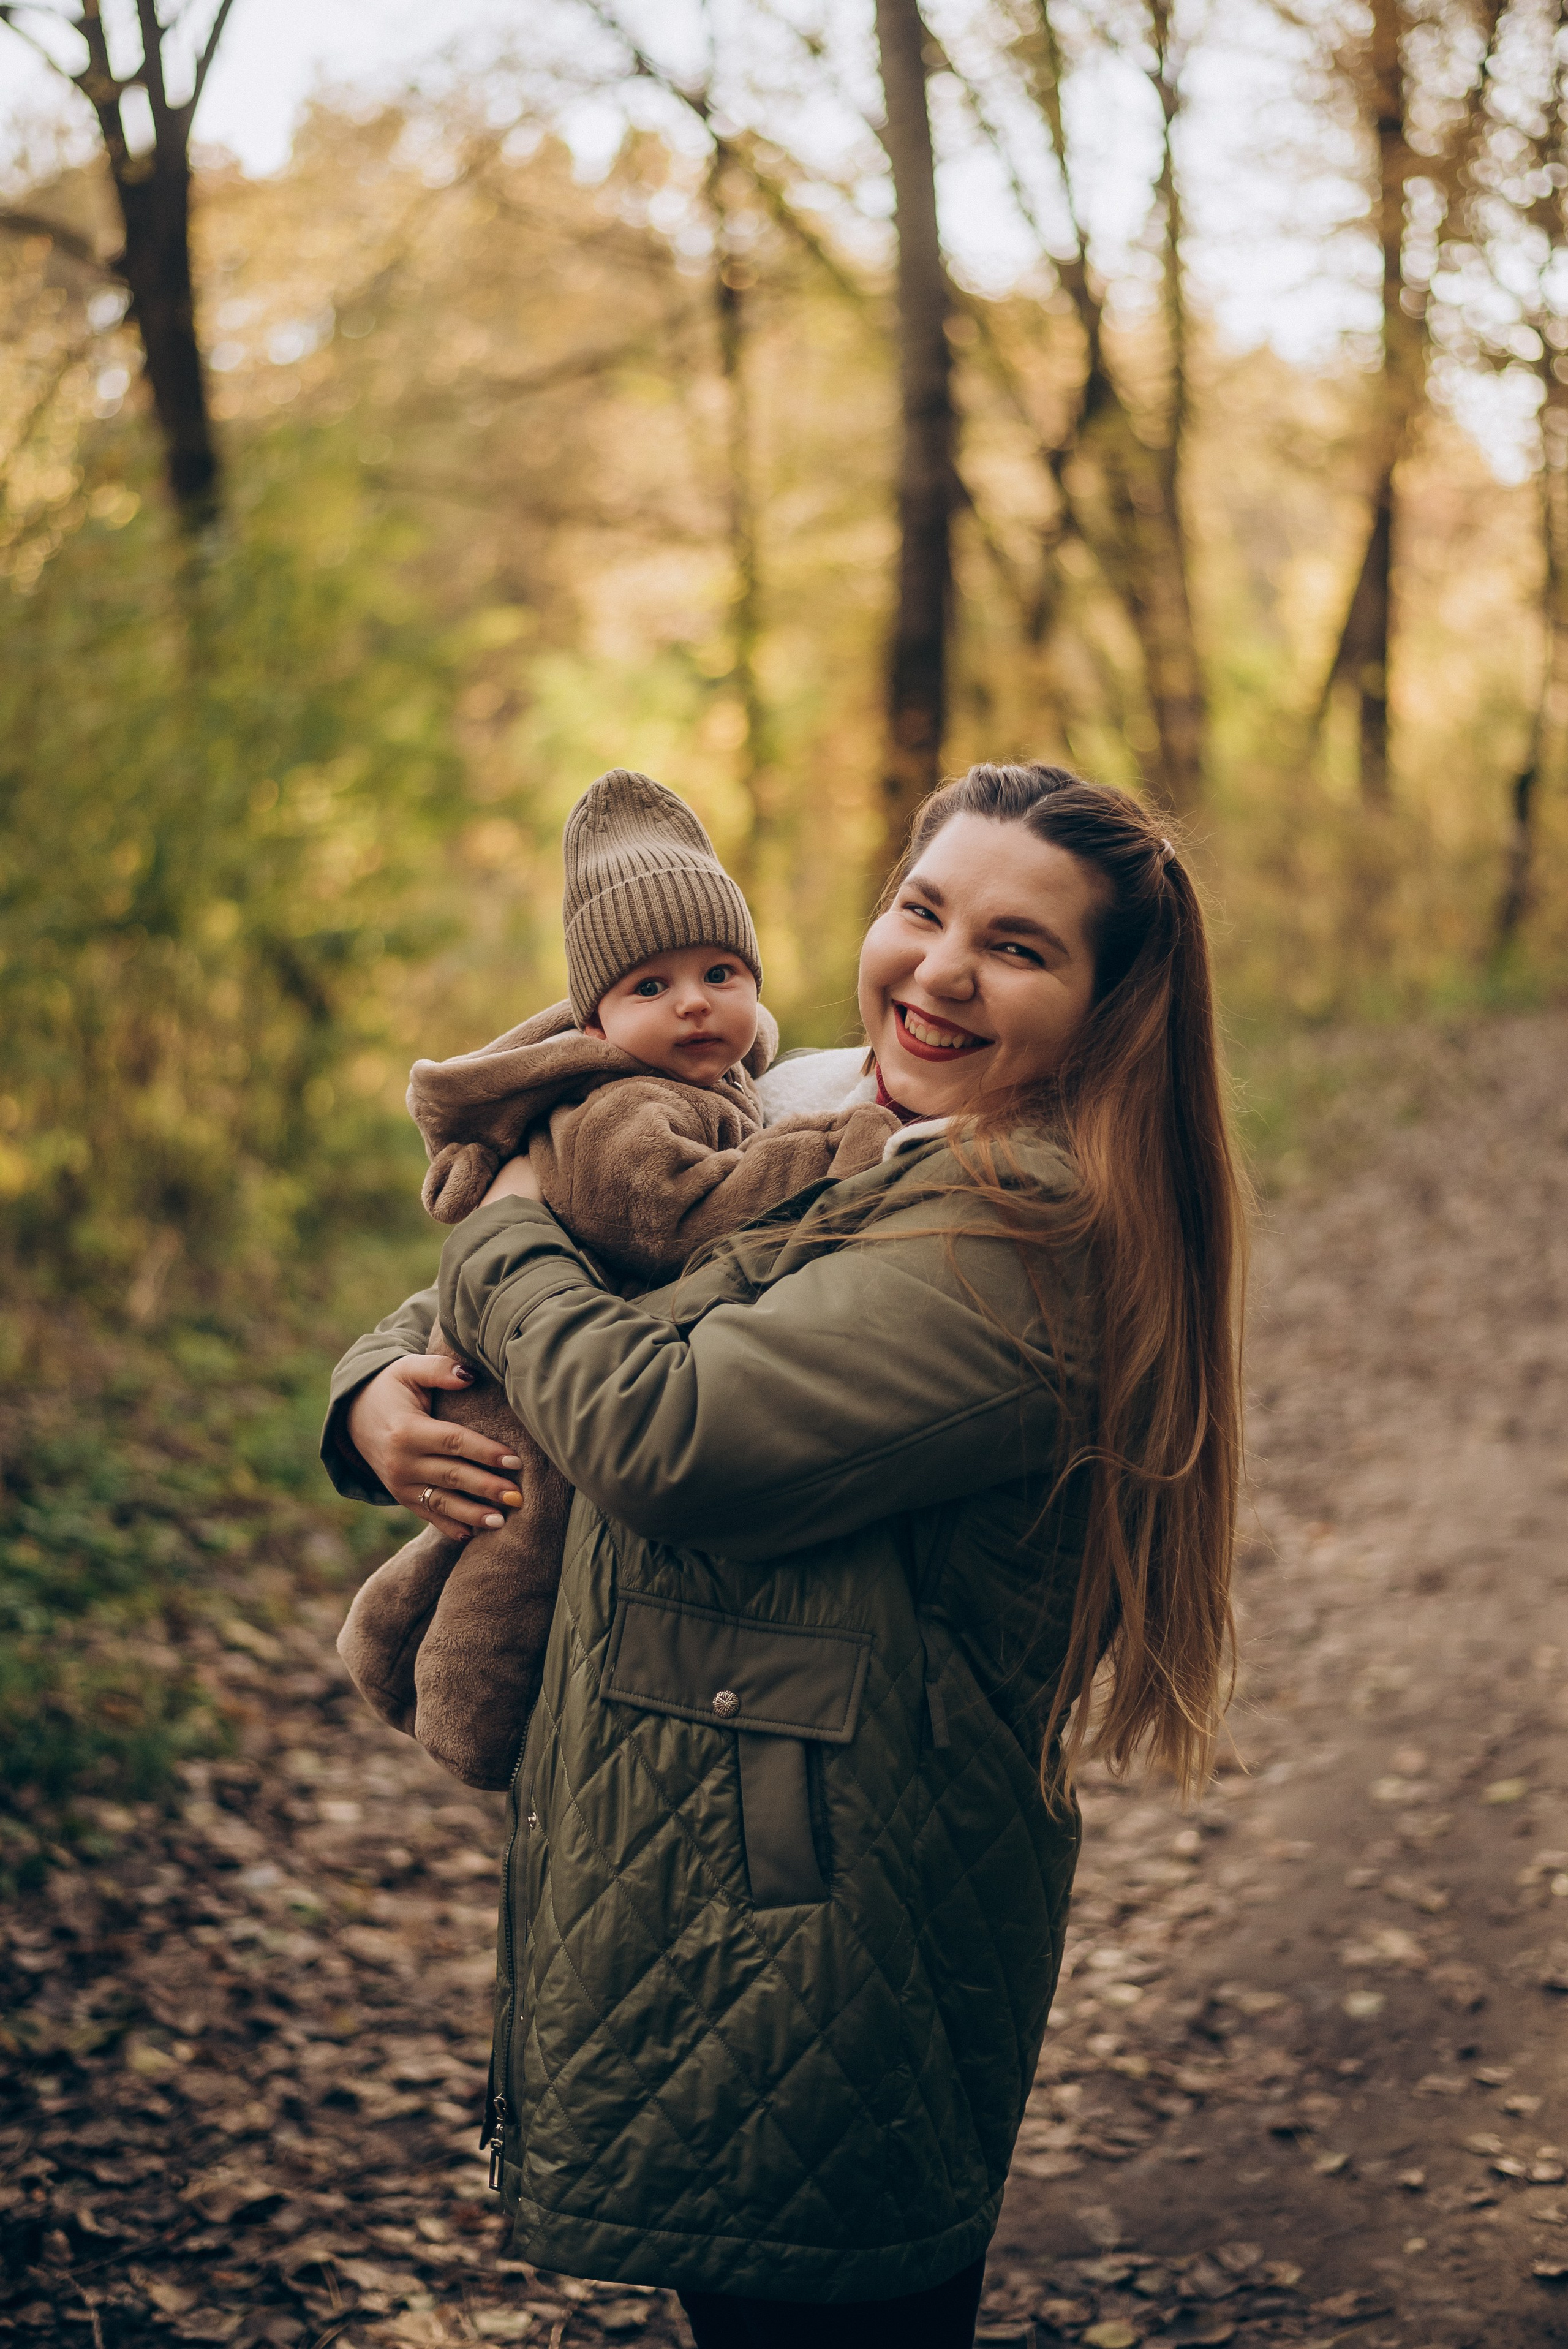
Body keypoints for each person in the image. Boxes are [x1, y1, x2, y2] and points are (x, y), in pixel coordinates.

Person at [321, 763, 1245, 2348]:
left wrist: (496, 1216)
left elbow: (659, 1427)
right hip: (696, 1864)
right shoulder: (825, 1103)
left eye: (1019, 949)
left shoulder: (1029, 1236)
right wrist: (373, 1395)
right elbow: (614, 1272)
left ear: (1110, 1015)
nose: (942, 970)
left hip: (827, 1924)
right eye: (923, 908)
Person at [334, 767, 895, 1790]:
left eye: (722, 971)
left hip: (567, 1349)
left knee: (484, 1542)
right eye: (651, 986)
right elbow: (676, 1211)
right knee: (513, 1542)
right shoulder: (621, 1106)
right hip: (542, 1379)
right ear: (593, 1023)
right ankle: (470, 1723)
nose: (694, 1003)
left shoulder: (726, 1083)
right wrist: (838, 1146)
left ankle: (391, 1645)